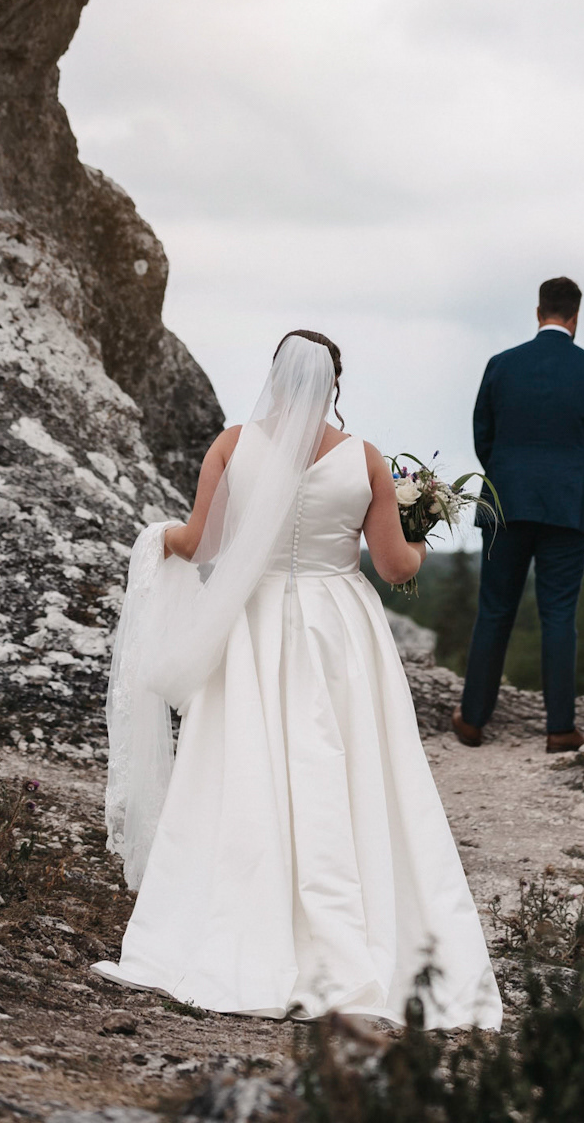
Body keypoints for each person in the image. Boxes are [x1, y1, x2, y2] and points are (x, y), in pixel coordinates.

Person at [94, 330, 501, 1029]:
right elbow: (395, 567)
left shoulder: (232, 446)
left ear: (276, 378)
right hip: (337, 628)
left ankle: (240, 926)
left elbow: (200, 544)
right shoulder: (363, 459)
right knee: (345, 766)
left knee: (243, 765)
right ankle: (353, 929)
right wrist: (419, 530)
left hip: (249, 623)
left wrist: (154, 538)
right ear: (334, 384)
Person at [454, 277, 584, 755]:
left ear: (538, 312)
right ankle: (560, 729)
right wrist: (577, 489)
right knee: (559, 615)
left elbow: (483, 435)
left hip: (505, 503)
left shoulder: (501, 365)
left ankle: (472, 721)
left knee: (494, 611)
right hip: (568, 509)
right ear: (575, 317)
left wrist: (509, 481)